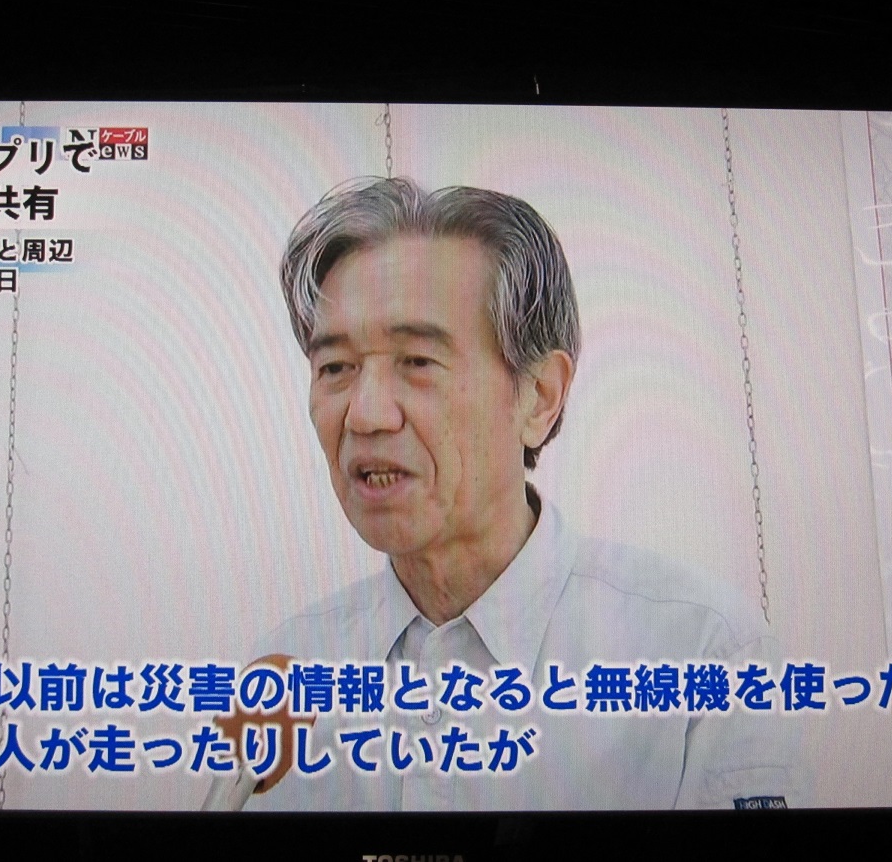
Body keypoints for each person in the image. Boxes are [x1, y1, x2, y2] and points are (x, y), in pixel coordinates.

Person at [236, 177, 800, 811]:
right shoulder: (286, 670)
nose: (365, 415)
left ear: (539, 397)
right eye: (335, 368)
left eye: (417, 361)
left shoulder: (703, 654)